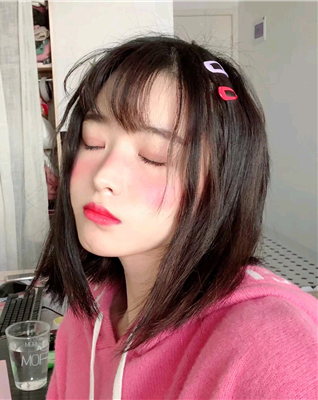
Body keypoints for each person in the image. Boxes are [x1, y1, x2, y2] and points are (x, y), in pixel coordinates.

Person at [34, 35, 318, 399]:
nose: (103, 176)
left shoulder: (272, 351)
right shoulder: (85, 311)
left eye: (154, 156)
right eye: (93, 142)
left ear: (220, 184)